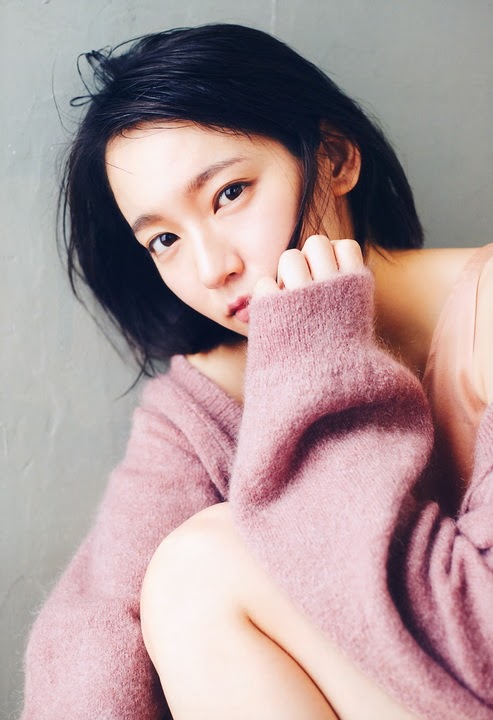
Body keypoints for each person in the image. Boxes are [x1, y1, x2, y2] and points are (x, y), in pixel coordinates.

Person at [21, 23, 493, 720]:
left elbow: (479, 655)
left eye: (229, 194)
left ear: (335, 158)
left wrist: (319, 365)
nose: (212, 267)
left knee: (205, 568)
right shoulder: (208, 396)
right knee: (180, 577)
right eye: (164, 239)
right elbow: (99, 622)